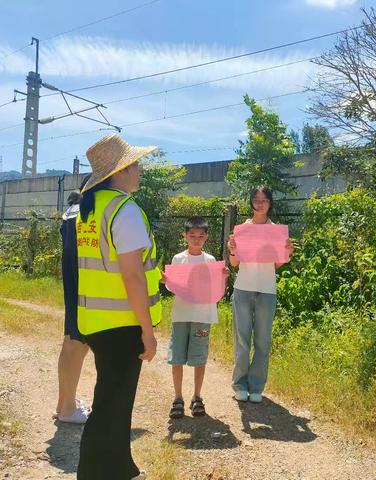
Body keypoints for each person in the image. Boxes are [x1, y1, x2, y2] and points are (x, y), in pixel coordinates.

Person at [76, 134, 161, 480]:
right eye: (135, 164)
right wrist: (147, 331)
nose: (140, 170)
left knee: (114, 399)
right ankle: (97, 472)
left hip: (96, 321)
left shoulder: (91, 209)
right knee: (112, 403)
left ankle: (119, 466)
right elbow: (133, 277)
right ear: (121, 171)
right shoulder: (124, 210)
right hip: (122, 324)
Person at [227, 186, 294, 403]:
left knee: (263, 341)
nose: (260, 203)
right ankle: (239, 384)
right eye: (256, 199)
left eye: (264, 199)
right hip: (243, 288)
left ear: (270, 202)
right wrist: (232, 248)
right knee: (242, 340)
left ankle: (256, 386)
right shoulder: (242, 229)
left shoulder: (276, 230)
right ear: (251, 202)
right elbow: (234, 263)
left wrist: (287, 253)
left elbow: (276, 264)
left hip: (266, 289)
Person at [162, 216, 228, 419]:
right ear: (185, 236)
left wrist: (223, 278)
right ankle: (178, 397)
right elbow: (172, 286)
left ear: (207, 237)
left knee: (199, 357)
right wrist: (167, 280)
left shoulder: (210, 261)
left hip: (203, 315)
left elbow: (218, 292)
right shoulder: (178, 259)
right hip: (181, 314)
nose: (196, 239)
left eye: (201, 236)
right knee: (177, 357)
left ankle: (197, 396)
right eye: (192, 236)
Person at [55, 175, 91, 424]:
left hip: (72, 281)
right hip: (85, 282)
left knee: (70, 343)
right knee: (77, 344)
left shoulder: (71, 210)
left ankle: (64, 404)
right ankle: (68, 410)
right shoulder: (87, 211)